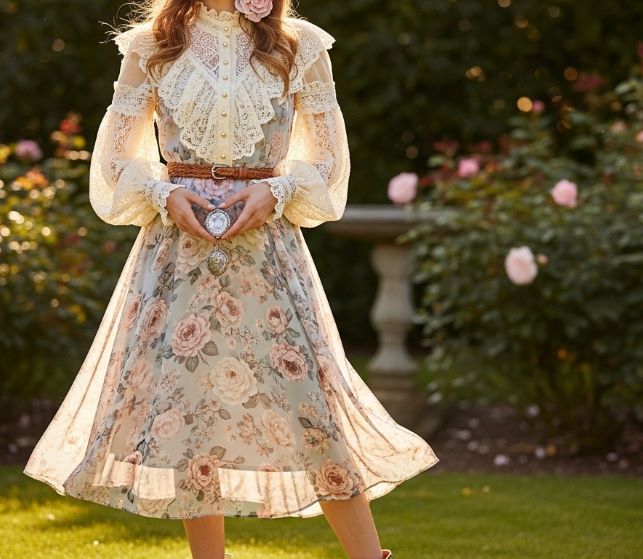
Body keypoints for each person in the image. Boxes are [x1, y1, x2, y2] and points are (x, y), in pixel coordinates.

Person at [22, 1, 440, 558]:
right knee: (191, 419)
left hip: (266, 253)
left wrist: (278, 190)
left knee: (311, 407)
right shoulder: (149, 45)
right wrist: (164, 193)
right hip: (178, 254)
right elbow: (115, 164)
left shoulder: (300, 45)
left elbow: (331, 163)